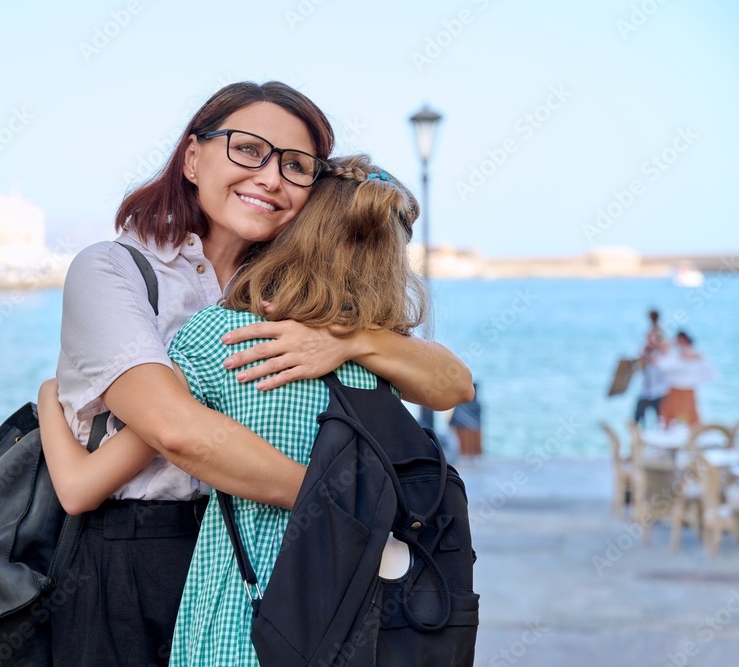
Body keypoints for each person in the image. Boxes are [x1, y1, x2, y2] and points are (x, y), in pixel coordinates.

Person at [43, 81, 474, 667]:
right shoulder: (112, 271)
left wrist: (345, 340)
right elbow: (177, 430)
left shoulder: (297, 300)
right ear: (193, 158)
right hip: (138, 550)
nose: (270, 177)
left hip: (259, 552)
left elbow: (452, 384)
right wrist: (353, 510)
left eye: (295, 166)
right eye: (248, 150)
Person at [162, 155, 428, 665]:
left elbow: (144, 432)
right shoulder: (391, 360)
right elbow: (455, 385)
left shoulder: (216, 338)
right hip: (357, 611)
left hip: (243, 608)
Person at [655, 330, 714, 427]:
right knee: (678, 421)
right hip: (680, 391)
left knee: (681, 421)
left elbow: (662, 366)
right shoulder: (685, 355)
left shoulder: (687, 356)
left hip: (682, 392)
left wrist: (669, 348)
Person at [634, 309, 668, 426]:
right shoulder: (654, 337)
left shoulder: (659, 336)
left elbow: (664, 355)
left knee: (661, 420)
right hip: (647, 389)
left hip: (658, 389)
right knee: (638, 419)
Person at [450, 381, 483, 457]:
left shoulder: (459, 404)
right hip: (471, 422)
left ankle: (466, 456)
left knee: (463, 439)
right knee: (470, 438)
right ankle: (472, 456)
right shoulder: (476, 405)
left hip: (462, 418)